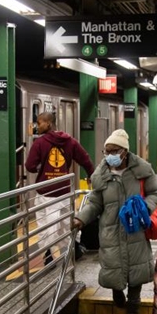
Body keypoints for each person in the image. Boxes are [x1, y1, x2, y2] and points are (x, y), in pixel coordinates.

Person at [73, 129, 157, 314]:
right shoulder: (101, 175)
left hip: (135, 229)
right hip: (110, 230)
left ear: (124, 151)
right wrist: (81, 218)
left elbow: (154, 192)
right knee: (113, 266)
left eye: (114, 150)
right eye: (107, 151)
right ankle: (117, 291)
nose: (110, 155)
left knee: (137, 272)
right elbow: (95, 202)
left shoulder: (142, 170)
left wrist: (146, 207)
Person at [26, 112, 95, 265]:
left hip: (46, 191)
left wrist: (42, 169)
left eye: (40, 122)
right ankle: (75, 247)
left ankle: (48, 254)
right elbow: (85, 158)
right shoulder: (69, 141)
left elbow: (30, 166)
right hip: (64, 190)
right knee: (67, 220)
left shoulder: (40, 143)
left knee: (45, 224)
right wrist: (92, 174)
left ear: (49, 124)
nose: (38, 126)